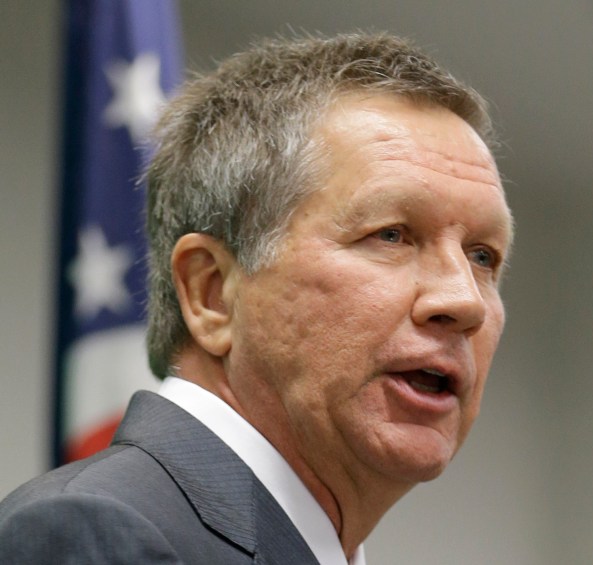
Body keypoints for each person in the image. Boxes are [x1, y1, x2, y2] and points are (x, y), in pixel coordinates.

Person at [0, 32, 513, 564]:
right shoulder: (98, 534)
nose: (465, 300)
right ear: (212, 294)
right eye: (391, 235)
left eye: (483, 256)